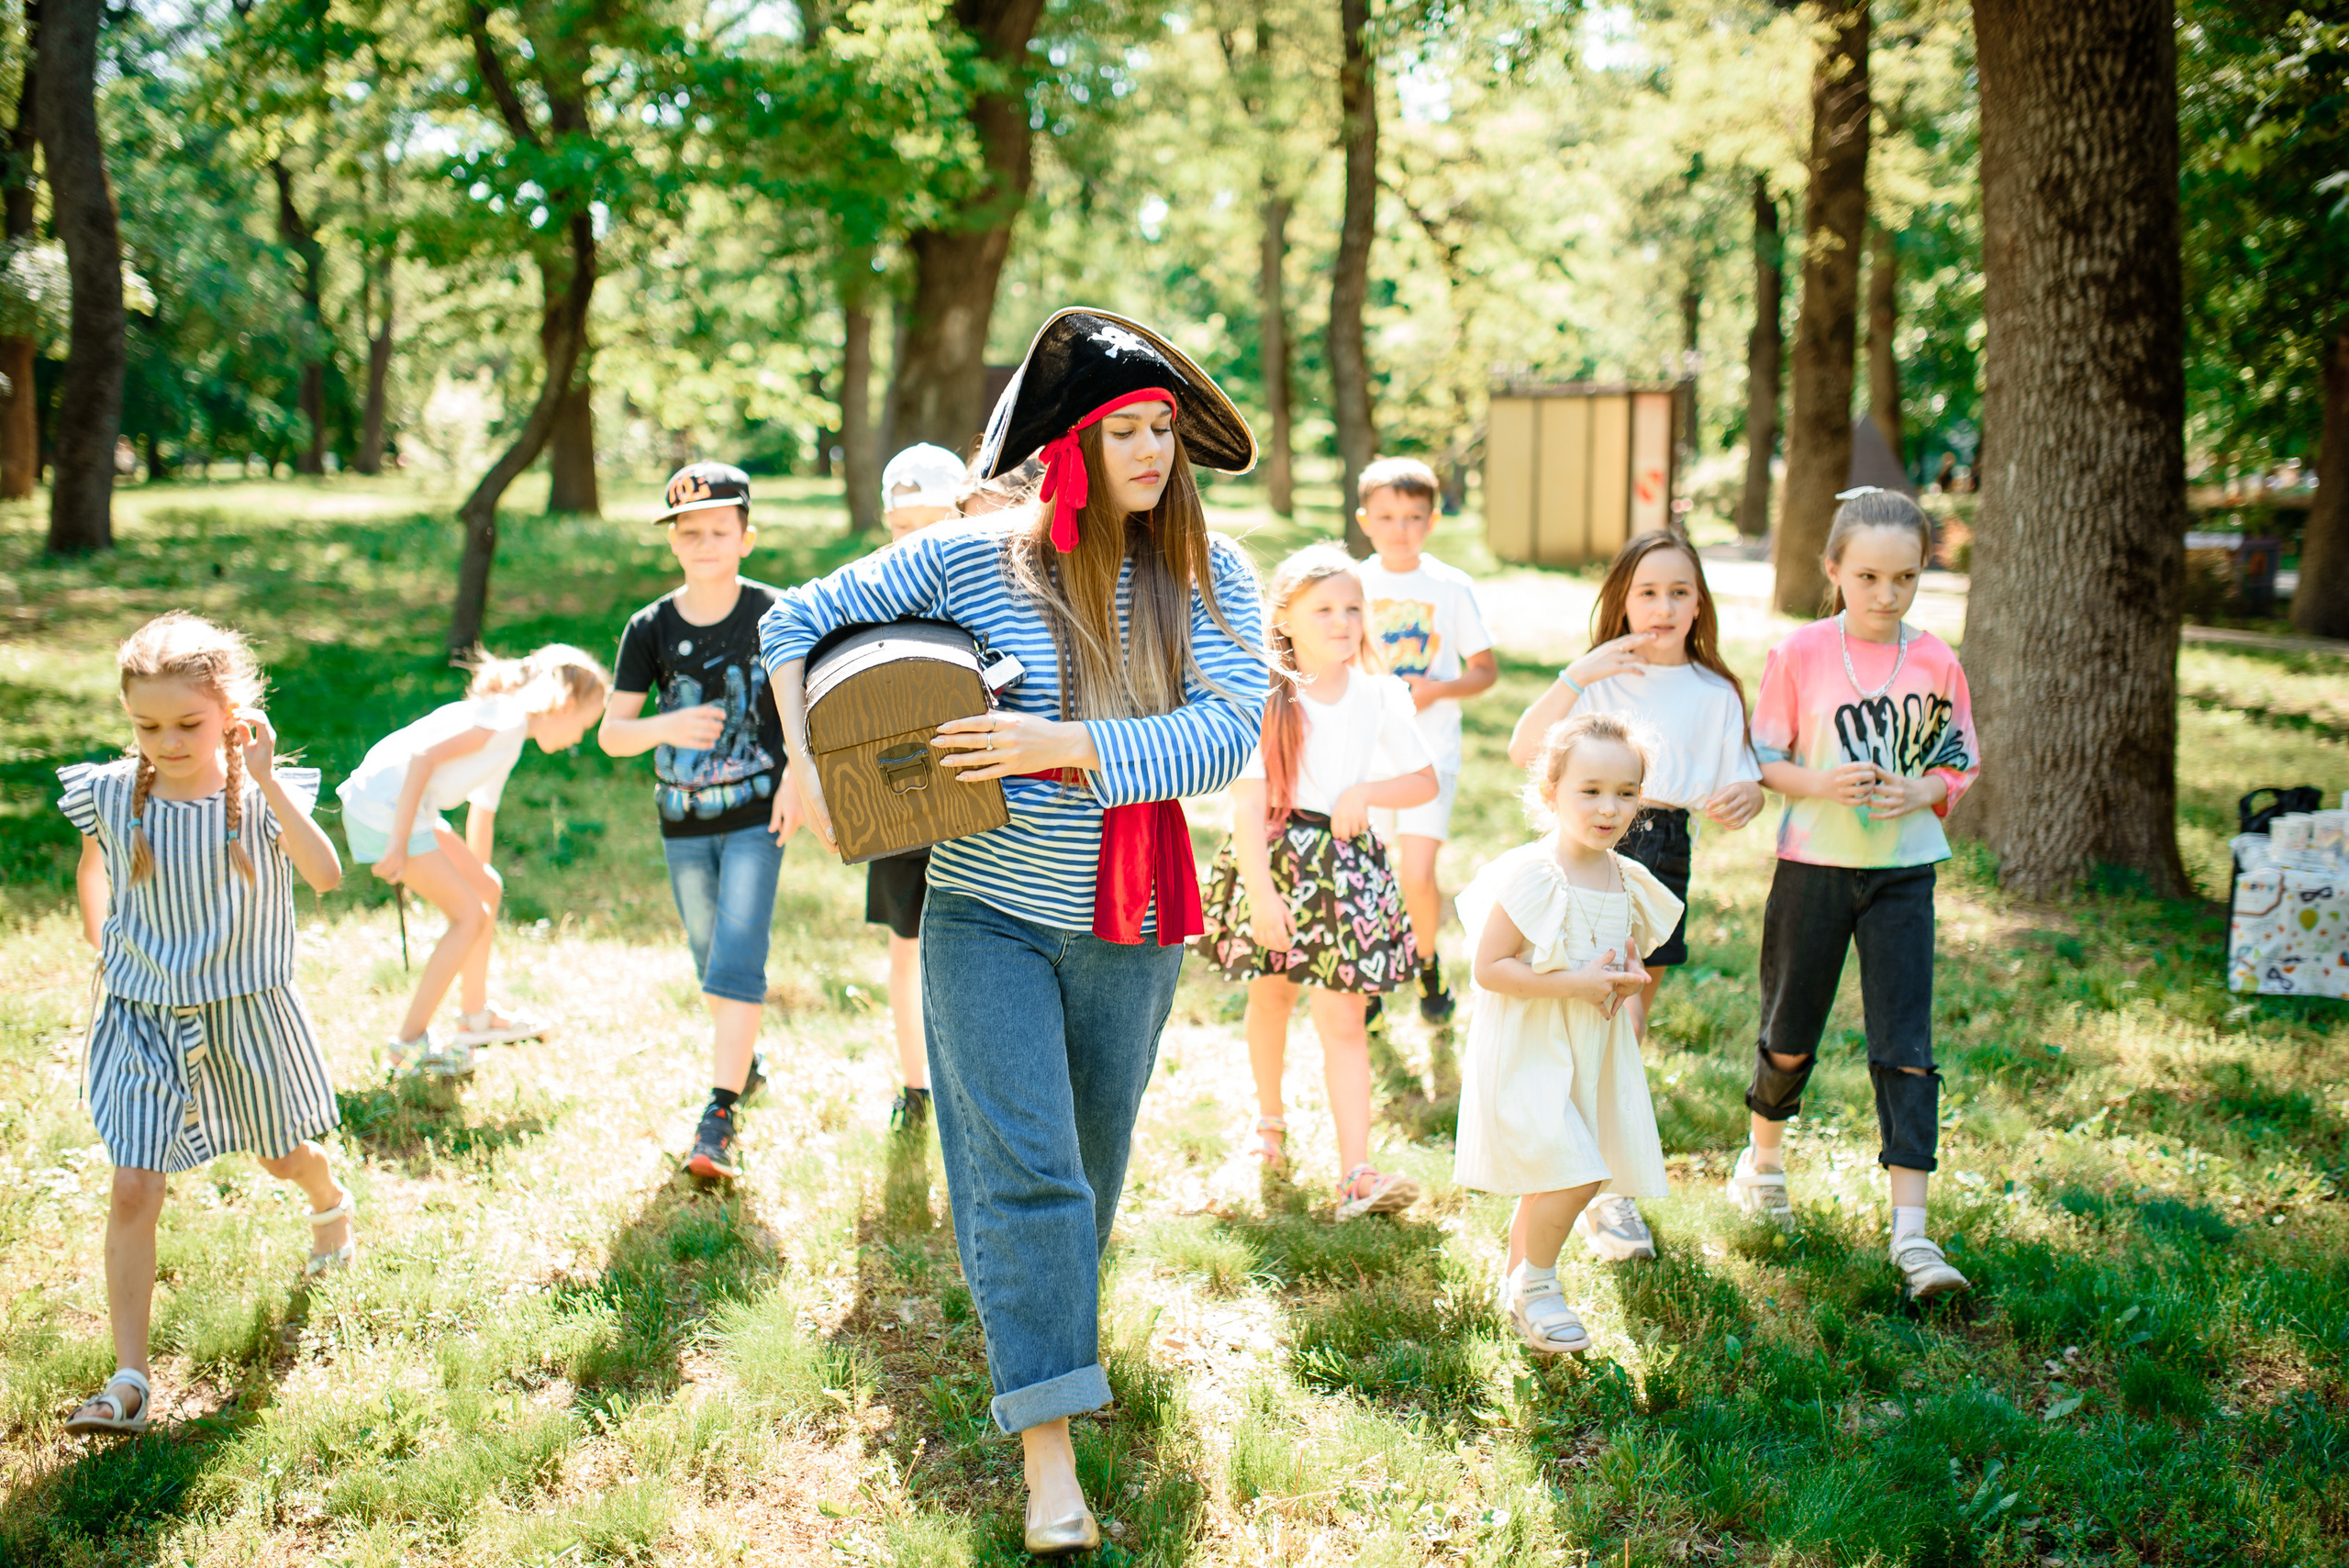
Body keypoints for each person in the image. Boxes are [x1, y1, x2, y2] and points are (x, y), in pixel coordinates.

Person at [762, 308, 1265, 1558]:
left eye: (1166, 428)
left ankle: (1048, 1333)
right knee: (1028, 1168)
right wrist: (808, 762)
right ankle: (1050, 1453)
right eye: (1128, 430)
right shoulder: (976, 557)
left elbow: (1226, 731)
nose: (1154, 449)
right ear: (1072, 448)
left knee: (1083, 1169)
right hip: (984, 910)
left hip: (1131, 917)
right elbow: (791, 625)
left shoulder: (1211, 572)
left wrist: (1065, 746)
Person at [59, 614, 350, 1436]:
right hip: (143, 1014)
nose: (167, 742)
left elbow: (325, 874)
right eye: (147, 726)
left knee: (280, 1154)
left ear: (231, 712)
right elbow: (96, 874)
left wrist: (261, 774)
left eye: (188, 723)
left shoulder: (260, 797)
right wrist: (108, 954)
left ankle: (329, 1202)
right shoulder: (113, 793)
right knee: (133, 1183)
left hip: (242, 1011)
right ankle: (130, 1378)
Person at [1738, 487, 1980, 1300]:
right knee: (1790, 1030)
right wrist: (1822, 782)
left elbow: (1959, 761)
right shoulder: (1801, 653)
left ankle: (1912, 1236)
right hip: (1813, 868)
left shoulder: (1938, 659)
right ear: (1835, 568)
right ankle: (1763, 1161)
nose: (1885, 594)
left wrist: (1922, 792)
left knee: (1905, 1043)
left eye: (1904, 578)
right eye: (1869, 576)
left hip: (1905, 873)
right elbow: (1763, 757)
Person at [1505, 530, 1763, 1261]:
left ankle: (1604, 1182)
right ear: (1621, 598)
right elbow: (1526, 748)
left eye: (1679, 591)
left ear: (1699, 603)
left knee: (1629, 1011)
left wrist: (1748, 791)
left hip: (1662, 847)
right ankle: (1560, 1157)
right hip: (1587, 846)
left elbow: (1739, 777)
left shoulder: (1715, 692)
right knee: (1572, 1004)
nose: (1663, 606)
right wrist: (1575, 673)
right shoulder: (1598, 681)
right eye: (1646, 591)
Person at [1197, 543, 1437, 1218]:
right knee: (1270, 998)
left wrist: (1367, 790)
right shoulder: (1265, 694)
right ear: (1287, 619)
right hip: (1275, 862)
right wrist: (1262, 895)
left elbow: (1425, 780)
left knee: (1344, 1019)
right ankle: (1266, 1127)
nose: (1342, 621)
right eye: (1324, 608)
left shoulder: (1382, 695)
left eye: (1353, 608)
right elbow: (1245, 806)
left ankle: (1356, 1171)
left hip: (1348, 868)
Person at [1453, 712, 1682, 1354]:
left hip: (1590, 1047)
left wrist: (1624, 978)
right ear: (1551, 790)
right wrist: (1574, 983)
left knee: (1554, 1171)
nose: (1609, 807)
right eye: (1590, 790)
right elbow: (1490, 967)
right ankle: (1540, 1285)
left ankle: (1515, 1291)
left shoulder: (1625, 877)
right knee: (1580, 1173)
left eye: (1626, 792)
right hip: (1532, 1046)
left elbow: (1621, 956)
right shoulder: (1535, 873)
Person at [600, 462, 796, 1181]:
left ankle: (718, 1115)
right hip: (681, 819)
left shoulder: (776, 614)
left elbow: (805, 711)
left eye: (720, 529)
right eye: (690, 531)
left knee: (738, 955)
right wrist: (668, 723)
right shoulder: (649, 627)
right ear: (673, 542)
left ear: (747, 537)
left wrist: (798, 783)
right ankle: (746, 1058)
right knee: (710, 958)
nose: (705, 541)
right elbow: (612, 734)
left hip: (755, 815)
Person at [336, 645, 607, 1077]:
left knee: (486, 890)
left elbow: (482, 815)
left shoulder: (511, 732)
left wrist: (477, 883)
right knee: (467, 917)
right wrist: (399, 843)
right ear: (566, 705)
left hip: (405, 809)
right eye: (584, 724)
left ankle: (474, 1018)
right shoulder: (506, 717)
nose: (580, 737)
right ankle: (406, 1048)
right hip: (386, 810)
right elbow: (424, 759)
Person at [1352, 457, 1497, 1025]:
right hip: (1366, 758)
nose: (1400, 529)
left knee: (1415, 872)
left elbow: (1485, 670)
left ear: (1432, 520)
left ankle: (1426, 962)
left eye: (1413, 516)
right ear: (1365, 520)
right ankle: (1370, 976)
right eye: (1387, 517)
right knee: (1370, 871)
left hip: (1430, 755)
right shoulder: (1353, 582)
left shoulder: (1450, 586)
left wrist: (1436, 690)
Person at [862, 440, 972, 1133]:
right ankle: (915, 1083)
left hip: (971, 791)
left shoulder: (982, 585)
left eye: (928, 526)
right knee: (907, 943)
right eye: (901, 529)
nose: (912, 543)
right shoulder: (868, 587)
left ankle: (969, 1081)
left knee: (973, 941)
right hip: (899, 788)